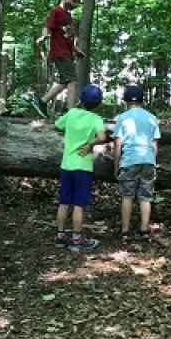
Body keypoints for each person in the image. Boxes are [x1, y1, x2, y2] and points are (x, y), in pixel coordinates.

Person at [53, 84, 107, 252]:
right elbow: (102, 137)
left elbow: (57, 125)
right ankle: (77, 240)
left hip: (67, 165)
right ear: (98, 104)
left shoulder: (71, 114)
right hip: (83, 167)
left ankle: (60, 237)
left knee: (63, 202)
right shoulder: (96, 119)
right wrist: (90, 144)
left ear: (81, 100)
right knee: (78, 204)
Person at [112, 85, 160, 243]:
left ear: (126, 101)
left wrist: (116, 165)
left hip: (129, 161)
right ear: (142, 101)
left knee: (127, 196)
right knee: (145, 197)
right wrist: (154, 162)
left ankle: (125, 231)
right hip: (148, 160)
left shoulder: (122, 118)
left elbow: (118, 144)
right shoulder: (151, 118)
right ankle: (144, 230)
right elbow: (155, 144)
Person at [33, 0, 86, 118]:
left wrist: (76, 50)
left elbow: (67, 38)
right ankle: (71, 112)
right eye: (74, 1)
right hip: (59, 52)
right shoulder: (56, 11)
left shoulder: (68, 17)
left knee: (65, 81)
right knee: (72, 80)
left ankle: (42, 102)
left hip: (67, 53)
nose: (76, 4)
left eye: (78, 2)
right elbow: (47, 27)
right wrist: (43, 37)